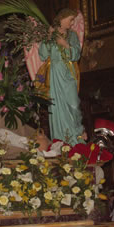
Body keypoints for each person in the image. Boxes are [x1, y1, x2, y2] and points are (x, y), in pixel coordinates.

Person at [38, 8, 85, 145]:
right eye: (70, 20)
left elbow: (76, 54)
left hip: (68, 72)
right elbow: (43, 54)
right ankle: (61, 142)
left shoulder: (72, 36)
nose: (72, 23)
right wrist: (48, 37)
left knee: (74, 105)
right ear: (62, 19)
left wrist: (65, 45)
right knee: (56, 109)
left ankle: (77, 139)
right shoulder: (51, 35)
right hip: (55, 74)